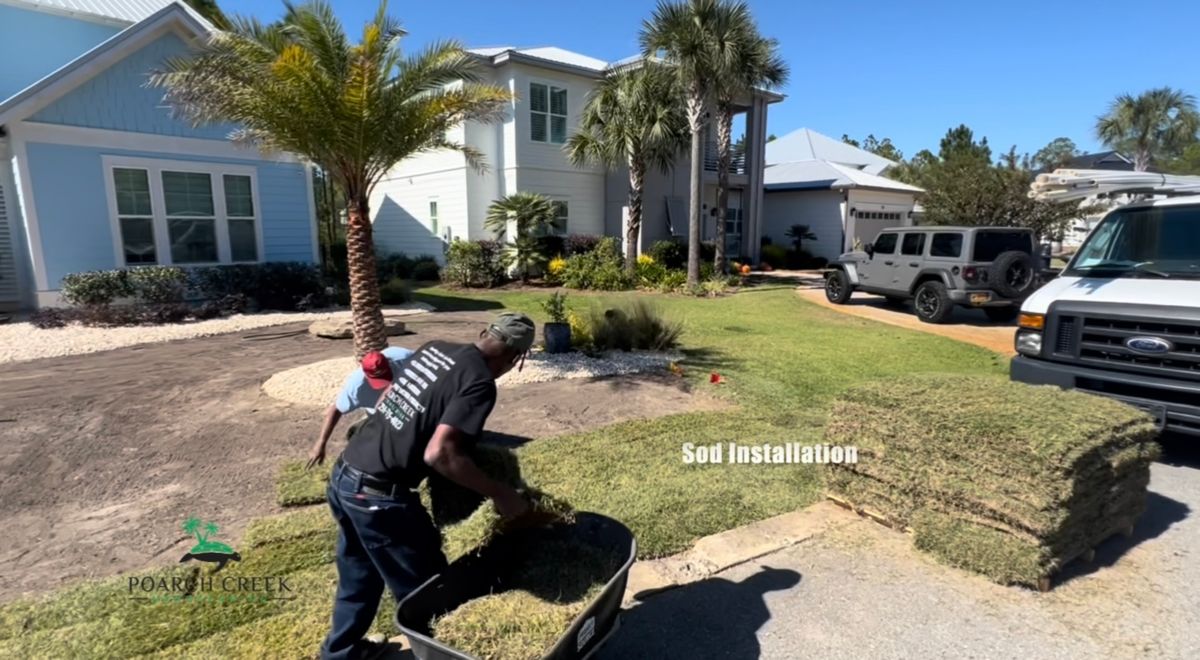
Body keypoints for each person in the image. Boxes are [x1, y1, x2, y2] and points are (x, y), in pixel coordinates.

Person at [319, 313, 537, 660]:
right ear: (516, 359)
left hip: (345, 475)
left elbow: (403, 404)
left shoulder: (435, 348)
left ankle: (340, 654)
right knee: (430, 590)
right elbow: (440, 454)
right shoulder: (480, 382)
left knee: (359, 574)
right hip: (377, 497)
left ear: (483, 333)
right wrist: (502, 494)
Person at [307, 347, 414, 470]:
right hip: (379, 414)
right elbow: (335, 410)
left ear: (389, 362)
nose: (383, 387)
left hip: (407, 402)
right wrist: (321, 443)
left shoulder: (403, 357)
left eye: (386, 376)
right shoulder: (355, 387)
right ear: (366, 374)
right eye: (379, 381)